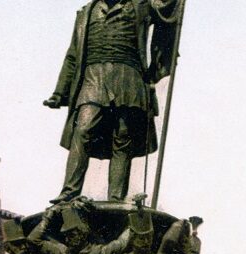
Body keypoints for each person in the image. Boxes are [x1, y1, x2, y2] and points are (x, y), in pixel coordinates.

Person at [45, 0, 181, 203]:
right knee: (82, 130)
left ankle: (116, 197)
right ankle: (69, 191)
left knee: (123, 137)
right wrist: (60, 92)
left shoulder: (142, 4)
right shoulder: (86, 13)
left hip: (129, 76)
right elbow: (72, 55)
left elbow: (166, 8)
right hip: (93, 77)